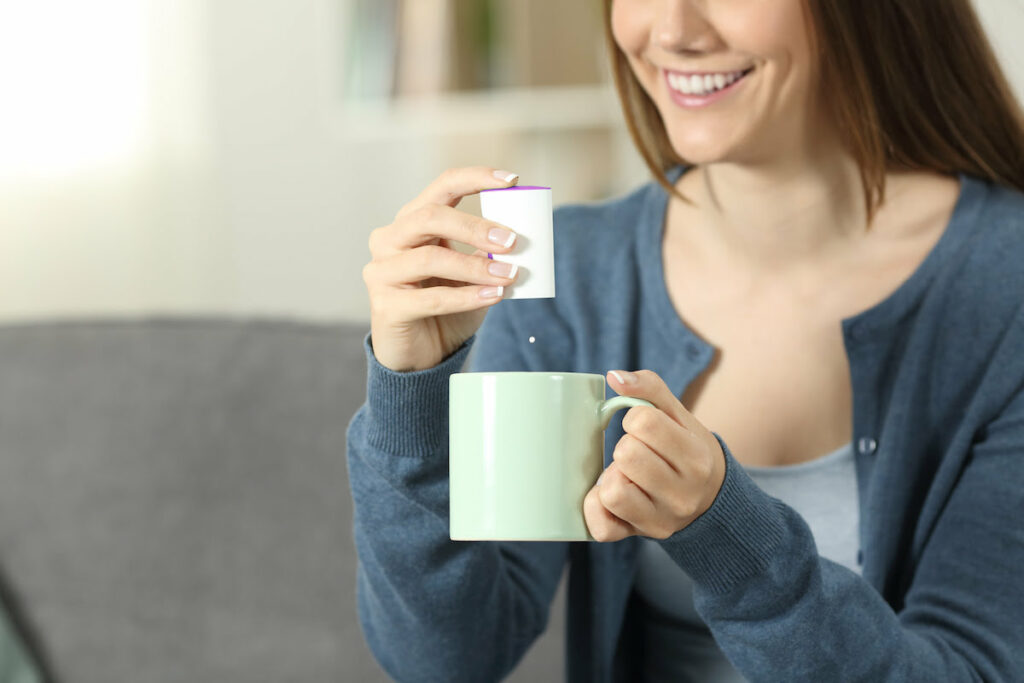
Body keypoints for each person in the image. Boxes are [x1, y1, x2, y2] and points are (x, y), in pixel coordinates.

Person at [347, 0, 1024, 680]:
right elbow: (446, 660)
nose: (671, 31)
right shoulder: (580, 273)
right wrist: (411, 402)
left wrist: (725, 533)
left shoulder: (1005, 286)